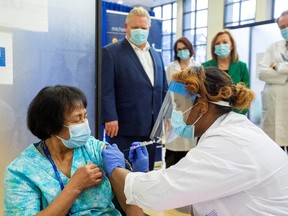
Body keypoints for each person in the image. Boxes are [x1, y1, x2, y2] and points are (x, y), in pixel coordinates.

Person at [102, 66, 288, 216]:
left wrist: (117, 168)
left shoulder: (229, 143)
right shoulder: (230, 131)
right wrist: (144, 176)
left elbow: (159, 194)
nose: (175, 113)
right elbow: (189, 192)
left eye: (180, 105)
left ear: (201, 107)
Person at [4, 85, 143, 216]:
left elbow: (132, 209)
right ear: (51, 126)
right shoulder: (22, 171)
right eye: (77, 119)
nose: (84, 124)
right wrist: (74, 187)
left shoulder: (94, 149)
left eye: (85, 116)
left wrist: (138, 177)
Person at [101, 6, 167, 171]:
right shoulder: (111, 52)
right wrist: (110, 117)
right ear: (126, 27)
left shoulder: (157, 55)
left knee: (147, 171)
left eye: (143, 28)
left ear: (149, 28)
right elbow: (106, 88)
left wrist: (166, 116)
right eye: (135, 27)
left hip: (152, 127)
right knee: (123, 171)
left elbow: (162, 88)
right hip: (124, 126)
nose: (140, 31)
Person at [164, 36, 200, 168]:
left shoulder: (197, 67)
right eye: (179, 49)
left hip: (191, 114)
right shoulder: (171, 68)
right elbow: (166, 93)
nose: (182, 51)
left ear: (190, 49)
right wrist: (167, 115)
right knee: (173, 150)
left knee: (189, 151)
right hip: (175, 113)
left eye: (184, 48)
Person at [258, 10, 288, 151]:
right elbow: (262, 73)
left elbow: (270, 71)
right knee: (276, 152)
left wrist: (278, 66)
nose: (285, 29)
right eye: (282, 27)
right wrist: (285, 75)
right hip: (274, 107)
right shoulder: (273, 48)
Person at [202, 29, 250, 114]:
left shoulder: (241, 66)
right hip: (211, 114)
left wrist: (240, 113)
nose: (221, 45)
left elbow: (246, 94)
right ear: (214, 47)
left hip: (236, 113)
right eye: (217, 43)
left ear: (232, 46)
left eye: (225, 42)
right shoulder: (206, 66)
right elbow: (202, 93)